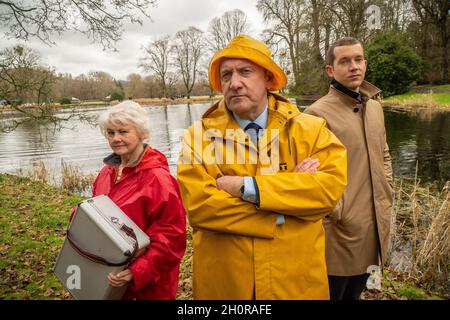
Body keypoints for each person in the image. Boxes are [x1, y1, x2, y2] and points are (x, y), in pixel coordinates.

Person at [176, 35, 347, 299]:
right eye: (226, 75)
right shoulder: (196, 138)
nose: (234, 83)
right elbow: (200, 208)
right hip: (226, 287)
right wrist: (286, 204)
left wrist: (248, 187)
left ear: (268, 78)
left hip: (295, 284)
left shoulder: (312, 131)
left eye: (245, 72)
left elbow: (328, 192)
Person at [304, 37, 394, 300]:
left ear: (365, 63)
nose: (353, 66)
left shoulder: (375, 107)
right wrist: (340, 213)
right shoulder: (315, 115)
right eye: (345, 61)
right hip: (339, 233)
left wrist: (387, 190)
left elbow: (385, 154)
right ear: (330, 70)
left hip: (375, 226)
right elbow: (312, 177)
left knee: (357, 292)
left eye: (358, 59)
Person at [71, 100, 186, 300]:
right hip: (109, 275)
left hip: (147, 288)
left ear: (141, 132)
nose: (116, 138)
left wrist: (136, 272)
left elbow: (172, 240)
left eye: (123, 132)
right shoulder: (107, 172)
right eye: (110, 132)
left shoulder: (158, 179)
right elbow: (98, 216)